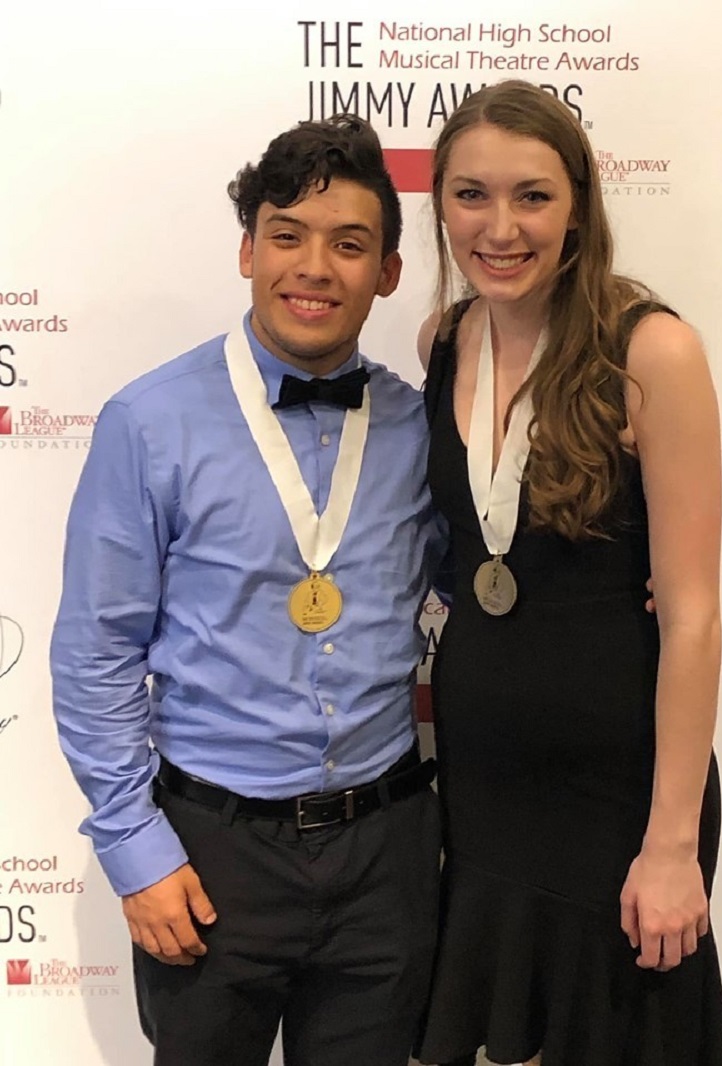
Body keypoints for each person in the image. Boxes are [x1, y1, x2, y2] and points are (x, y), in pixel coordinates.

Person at [50, 115, 444, 1066]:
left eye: (349, 244)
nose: (314, 267)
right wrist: (136, 851)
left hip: (386, 854)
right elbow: (95, 653)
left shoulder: (420, 427)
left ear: (387, 272)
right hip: (209, 851)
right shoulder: (148, 423)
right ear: (246, 249)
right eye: (287, 235)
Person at [416, 80, 722, 1066]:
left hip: (616, 801)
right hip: (480, 796)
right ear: (438, 207)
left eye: (531, 196)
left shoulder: (650, 351)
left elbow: (689, 617)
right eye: (469, 195)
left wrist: (670, 843)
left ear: (580, 205)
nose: (497, 226)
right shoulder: (439, 344)